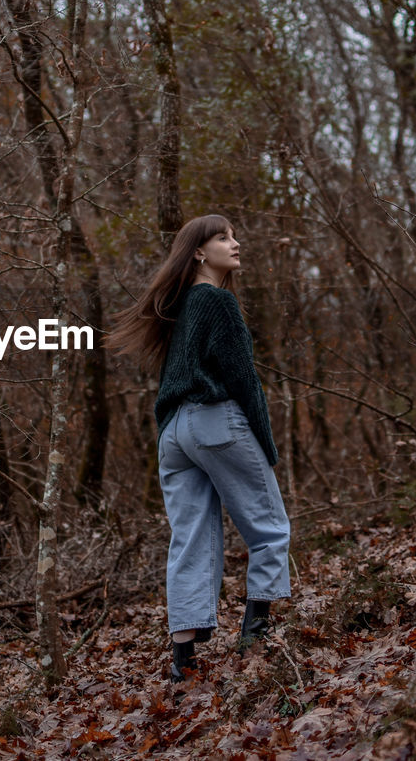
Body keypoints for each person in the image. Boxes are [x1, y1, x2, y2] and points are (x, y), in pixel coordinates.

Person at [107, 214, 291, 683]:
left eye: (234, 233)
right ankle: (256, 634)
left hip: (173, 433)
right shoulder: (218, 302)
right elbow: (243, 380)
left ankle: (183, 663)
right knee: (269, 527)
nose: (236, 242)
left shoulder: (180, 305)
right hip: (216, 422)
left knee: (190, 541)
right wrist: (265, 445)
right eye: (224, 237)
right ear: (198, 252)